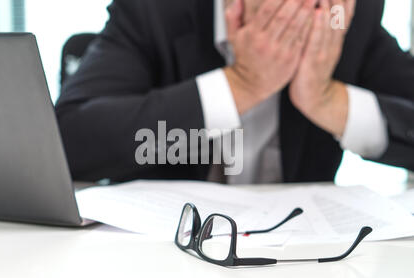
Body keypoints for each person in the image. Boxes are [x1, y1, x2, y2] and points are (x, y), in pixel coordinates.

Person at [56, 0, 414, 184]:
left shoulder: (342, 17)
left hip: (302, 265)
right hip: (163, 261)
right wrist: (240, 84)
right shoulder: (158, 9)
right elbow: (68, 140)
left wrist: (328, 100)